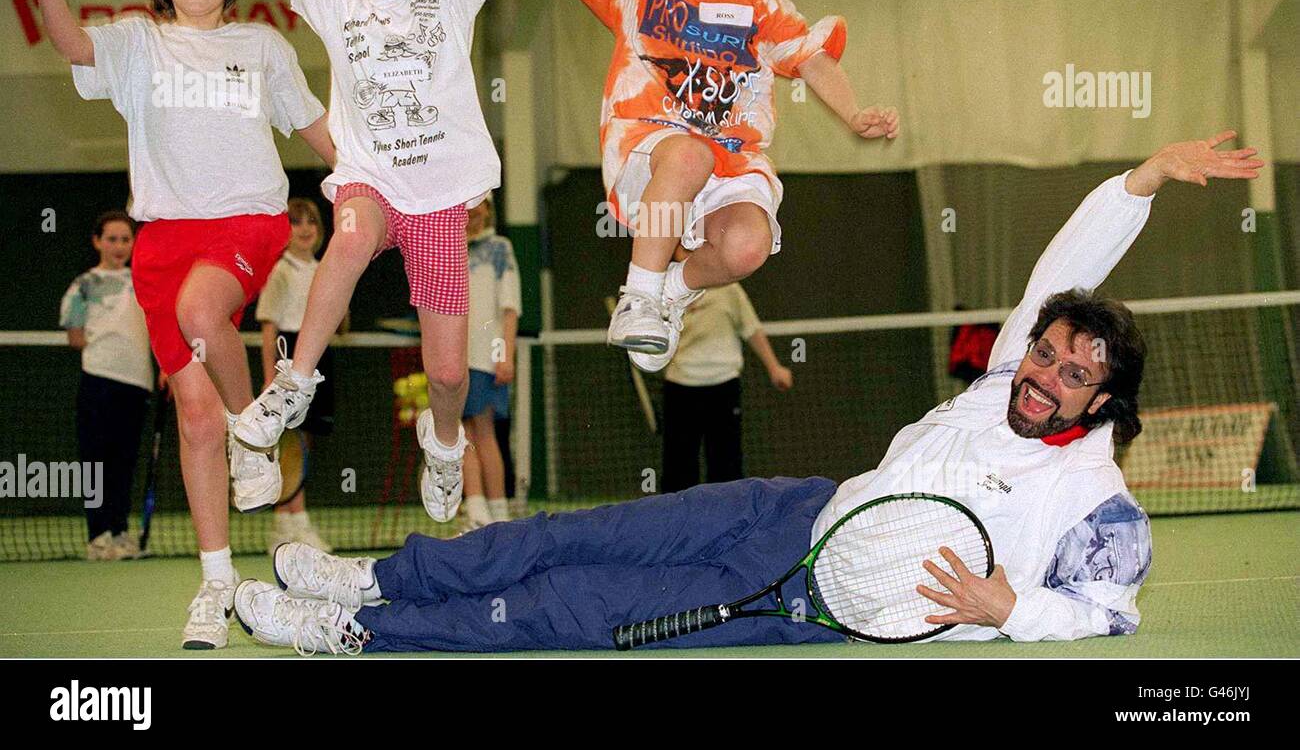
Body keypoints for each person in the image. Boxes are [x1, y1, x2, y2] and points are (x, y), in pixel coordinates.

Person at [231, 133, 1264, 654]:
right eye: (1047, 354)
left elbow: (1109, 608)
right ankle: (373, 579)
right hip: (788, 506)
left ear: (1104, 401)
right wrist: (1146, 176)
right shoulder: (1005, 373)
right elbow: (1064, 257)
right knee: (568, 536)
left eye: (1075, 373)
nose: (1045, 375)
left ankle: (365, 635)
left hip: (796, 599)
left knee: (573, 609)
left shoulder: (1097, 502)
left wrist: (1016, 608)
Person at [156, 0, 547, 526]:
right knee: (354, 235)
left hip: (438, 198)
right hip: (370, 178)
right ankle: (296, 379)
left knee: (449, 372)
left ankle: (442, 441)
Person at [22, 0, 334, 649]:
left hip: (244, 225)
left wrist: (367, 185)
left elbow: (315, 128)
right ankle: (216, 583)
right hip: (160, 243)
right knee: (194, 418)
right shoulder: (137, 42)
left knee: (204, 311)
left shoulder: (261, 45)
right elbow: (70, 42)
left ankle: (253, 440)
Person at [547, 0, 899, 374]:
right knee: (689, 155)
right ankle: (638, 295)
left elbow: (811, 59)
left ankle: (672, 287)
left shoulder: (762, 3)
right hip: (651, 143)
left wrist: (854, 113)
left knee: (746, 248)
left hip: (732, 155)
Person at [58, 211, 155, 561]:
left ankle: (119, 532)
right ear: (97, 242)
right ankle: (98, 535)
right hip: (98, 382)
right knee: (96, 463)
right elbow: (75, 336)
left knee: (124, 462)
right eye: (111, 239)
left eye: (125, 239)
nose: (118, 246)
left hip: (137, 385)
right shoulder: (84, 284)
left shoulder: (145, 280)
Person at [256, 198, 336, 554]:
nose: (304, 229)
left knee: (305, 442)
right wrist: (269, 376)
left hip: (319, 354)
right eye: (296, 222)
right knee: (290, 443)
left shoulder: (326, 269)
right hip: (288, 356)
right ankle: (292, 524)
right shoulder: (281, 271)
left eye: (311, 223)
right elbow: (269, 326)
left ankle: (287, 523)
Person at [660, 282, 791, 492]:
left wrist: (775, 367)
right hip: (680, 388)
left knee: (726, 462)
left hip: (723, 387)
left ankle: (727, 518)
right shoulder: (670, 288)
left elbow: (751, 328)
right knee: (679, 464)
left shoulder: (730, 290)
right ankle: (674, 521)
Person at [460, 195, 520, 531]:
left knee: (484, 431)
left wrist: (505, 355)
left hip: (487, 357)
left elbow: (509, 308)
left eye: (479, 204)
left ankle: (497, 510)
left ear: (488, 209)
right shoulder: (447, 247)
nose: (472, 212)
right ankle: (477, 510)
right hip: (455, 359)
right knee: (461, 435)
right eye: (466, 205)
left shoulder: (501, 249)